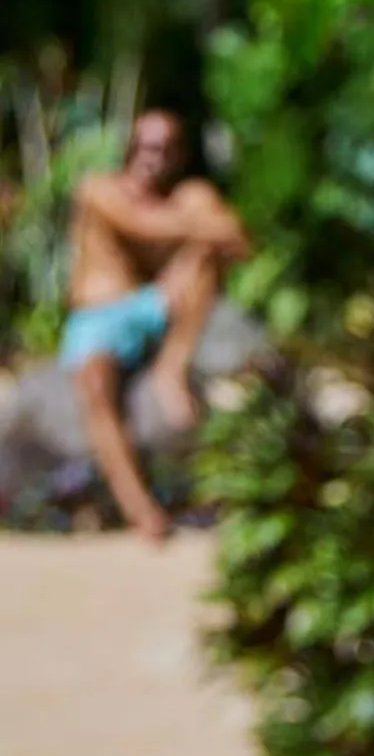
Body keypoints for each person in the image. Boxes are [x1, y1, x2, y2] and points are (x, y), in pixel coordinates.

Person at [60, 109, 250, 540]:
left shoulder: (186, 197)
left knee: (202, 237)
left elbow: (238, 241)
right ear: (131, 147)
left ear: (179, 155)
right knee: (95, 385)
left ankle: (172, 367)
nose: (154, 157)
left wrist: (202, 221)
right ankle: (141, 510)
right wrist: (206, 225)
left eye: (165, 148)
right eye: (147, 146)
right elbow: (143, 226)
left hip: (155, 306)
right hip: (99, 317)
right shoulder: (98, 188)